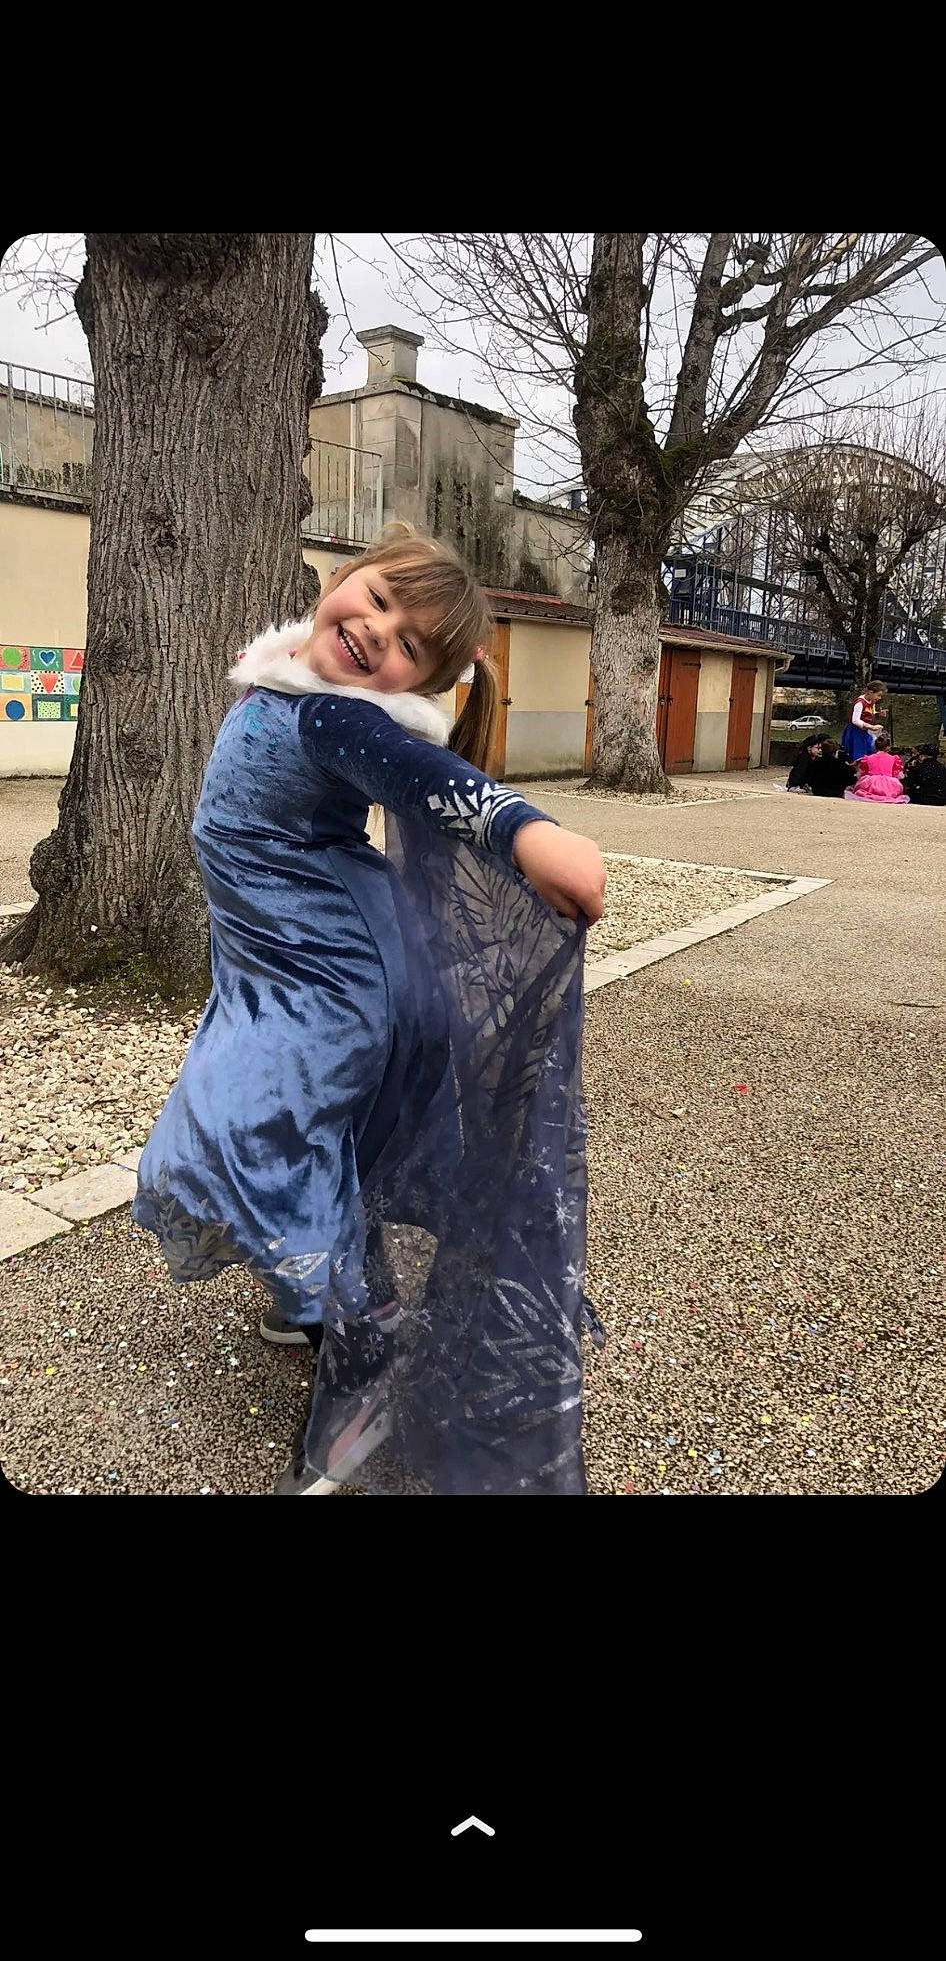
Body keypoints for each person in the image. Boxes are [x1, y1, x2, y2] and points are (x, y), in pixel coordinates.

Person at [131, 524, 608, 1498]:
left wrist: (528, 833)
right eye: (379, 599)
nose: (376, 633)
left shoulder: (339, 719)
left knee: (238, 1135)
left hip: (334, 979)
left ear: (410, 684)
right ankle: (305, 1301)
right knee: (315, 1141)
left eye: (408, 645)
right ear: (343, 577)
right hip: (268, 963)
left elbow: (429, 783)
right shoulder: (278, 672)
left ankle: (369, 1348)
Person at [843, 742, 909, 804]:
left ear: (875, 746)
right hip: (889, 786)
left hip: (871, 784)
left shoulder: (868, 758)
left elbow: (862, 773)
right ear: (888, 747)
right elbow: (898, 775)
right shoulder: (893, 758)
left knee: (860, 790)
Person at [841, 684, 885, 761]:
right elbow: (855, 720)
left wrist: (878, 714)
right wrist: (871, 727)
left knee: (869, 752)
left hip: (864, 731)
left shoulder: (872, 702)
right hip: (855, 732)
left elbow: (871, 713)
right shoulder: (860, 703)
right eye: (878, 695)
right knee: (858, 754)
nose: (879, 698)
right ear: (871, 692)